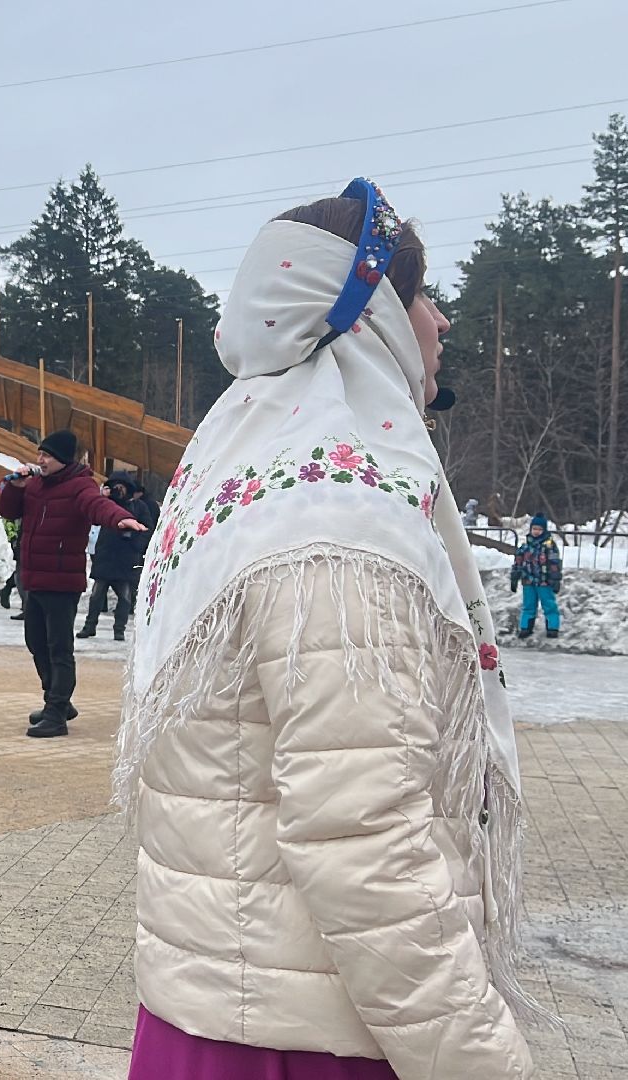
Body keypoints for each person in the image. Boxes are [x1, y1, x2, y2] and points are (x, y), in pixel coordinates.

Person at [116, 182, 540, 1078]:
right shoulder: (339, 512)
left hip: (218, 1005)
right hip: (314, 1035)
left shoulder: (243, 471)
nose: (441, 321)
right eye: (423, 295)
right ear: (372, 310)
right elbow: (360, 842)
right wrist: (484, 1062)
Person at [0, 430, 147, 738]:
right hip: (34, 578)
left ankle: (56, 713)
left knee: (59, 649)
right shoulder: (35, 484)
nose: (40, 460)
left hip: (62, 582)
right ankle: (57, 700)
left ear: (63, 460)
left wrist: (119, 519)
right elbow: (8, 511)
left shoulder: (81, 485)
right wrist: (15, 487)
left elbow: (97, 506)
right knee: (36, 643)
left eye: (47, 456)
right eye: (39, 454)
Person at [78, 472, 157, 641]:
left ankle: (119, 629)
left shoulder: (139, 507)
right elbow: (93, 518)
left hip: (126, 559)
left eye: (121, 487)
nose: (118, 491)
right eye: (115, 487)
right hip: (106, 556)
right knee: (96, 596)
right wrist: (102, 497)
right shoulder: (107, 505)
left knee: (125, 598)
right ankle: (89, 626)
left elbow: (148, 529)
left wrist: (135, 543)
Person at [512, 513, 563, 639]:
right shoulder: (525, 546)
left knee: (549, 605)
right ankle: (526, 628)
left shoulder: (549, 546)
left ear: (544, 530)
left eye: (539, 529)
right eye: (534, 529)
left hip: (544, 581)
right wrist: (515, 576)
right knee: (528, 606)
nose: (536, 532)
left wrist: (555, 578)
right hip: (528, 581)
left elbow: (554, 562)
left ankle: (552, 628)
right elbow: (518, 562)